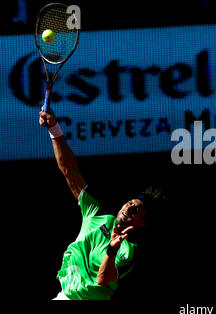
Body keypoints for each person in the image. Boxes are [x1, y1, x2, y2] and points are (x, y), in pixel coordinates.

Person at [39, 106, 163, 300]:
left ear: (143, 223)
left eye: (136, 208)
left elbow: (103, 279)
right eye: (130, 202)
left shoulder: (128, 252)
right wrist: (54, 129)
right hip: (65, 295)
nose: (128, 206)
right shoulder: (96, 215)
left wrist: (111, 250)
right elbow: (69, 171)